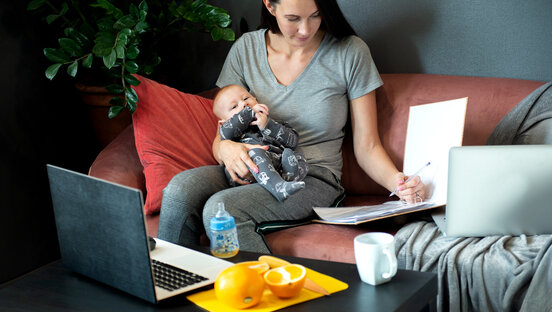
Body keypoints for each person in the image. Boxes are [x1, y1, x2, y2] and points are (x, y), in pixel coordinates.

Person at [158, 0, 425, 254]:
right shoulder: (246, 50)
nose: (305, 29)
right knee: (179, 191)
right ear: (269, 5)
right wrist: (225, 149)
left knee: (222, 207)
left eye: (316, 15)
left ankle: (268, 298)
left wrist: (399, 183)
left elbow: (368, 145)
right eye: (293, 18)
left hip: (312, 178)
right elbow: (222, 135)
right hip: (252, 167)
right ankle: (172, 289)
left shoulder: (350, 52)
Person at [213, 84, 309, 201]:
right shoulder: (227, 132)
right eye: (234, 107)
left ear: (255, 100)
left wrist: (267, 125)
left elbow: (293, 142)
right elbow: (226, 133)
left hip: (277, 163)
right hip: (247, 171)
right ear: (223, 122)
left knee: (296, 155)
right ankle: (279, 188)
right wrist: (249, 112)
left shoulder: (273, 123)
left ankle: (289, 178)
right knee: (256, 152)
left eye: (246, 98)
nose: (244, 104)